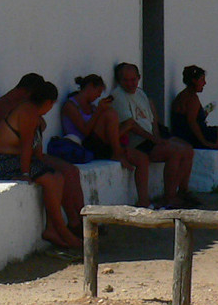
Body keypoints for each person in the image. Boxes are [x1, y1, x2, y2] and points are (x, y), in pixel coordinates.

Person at [0, 78, 82, 248]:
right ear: (48, 102)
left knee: (58, 177)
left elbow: (36, 151)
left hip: (15, 159)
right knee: (48, 178)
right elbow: (26, 146)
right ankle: (62, 230)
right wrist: (26, 174)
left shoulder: (35, 115)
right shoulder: (27, 112)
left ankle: (52, 228)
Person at [110, 61, 197, 208]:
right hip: (137, 141)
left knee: (188, 150)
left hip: (150, 138)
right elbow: (132, 125)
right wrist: (155, 140)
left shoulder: (140, 93)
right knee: (174, 152)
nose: (130, 83)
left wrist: (158, 137)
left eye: (133, 79)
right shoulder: (118, 96)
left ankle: (182, 191)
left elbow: (151, 121)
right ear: (119, 80)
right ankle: (169, 196)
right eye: (126, 80)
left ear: (139, 77)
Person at [62, 73, 152, 208]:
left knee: (142, 158)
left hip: (101, 143)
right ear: (90, 87)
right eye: (98, 92)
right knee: (110, 114)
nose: (98, 96)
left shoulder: (92, 107)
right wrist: (99, 111)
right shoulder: (71, 106)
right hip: (84, 145)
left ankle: (143, 200)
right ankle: (117, 152)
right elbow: (85, 131)